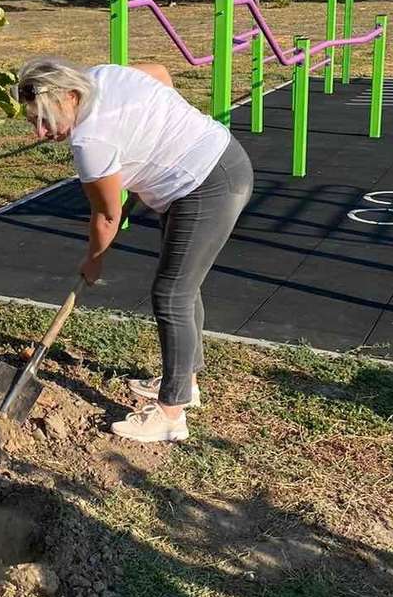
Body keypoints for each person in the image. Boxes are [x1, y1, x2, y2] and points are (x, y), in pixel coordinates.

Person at [16, 56, 253, 444]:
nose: (41, 132)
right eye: (32, 121)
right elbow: (159, 72)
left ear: (72, 96)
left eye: (46, 118)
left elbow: (107, 216)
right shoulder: (101, 75)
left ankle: (171, 415)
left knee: (171, 293)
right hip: (212, 164)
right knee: (182, 286)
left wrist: (93, 261)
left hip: (208, 183)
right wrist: (159, 135)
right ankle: (185, 380)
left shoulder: (91, 141)